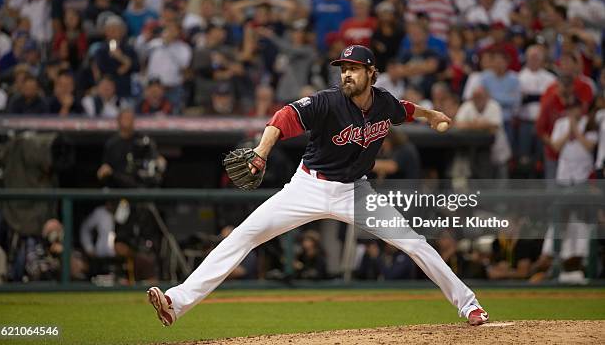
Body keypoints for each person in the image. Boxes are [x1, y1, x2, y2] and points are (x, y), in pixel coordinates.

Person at [147, 44, 489, 327]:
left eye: (354, 68)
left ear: (372, 73)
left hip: (355, 192)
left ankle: (469, 305)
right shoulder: (327, 101)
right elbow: (283, 118)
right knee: (243, 235)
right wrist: (262, 153)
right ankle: (176, 302)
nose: (346, 74)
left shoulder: (383, 102)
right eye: (343, 68)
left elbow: (405, 109)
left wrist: (433, 116)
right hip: (308, 187)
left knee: (414, 243)